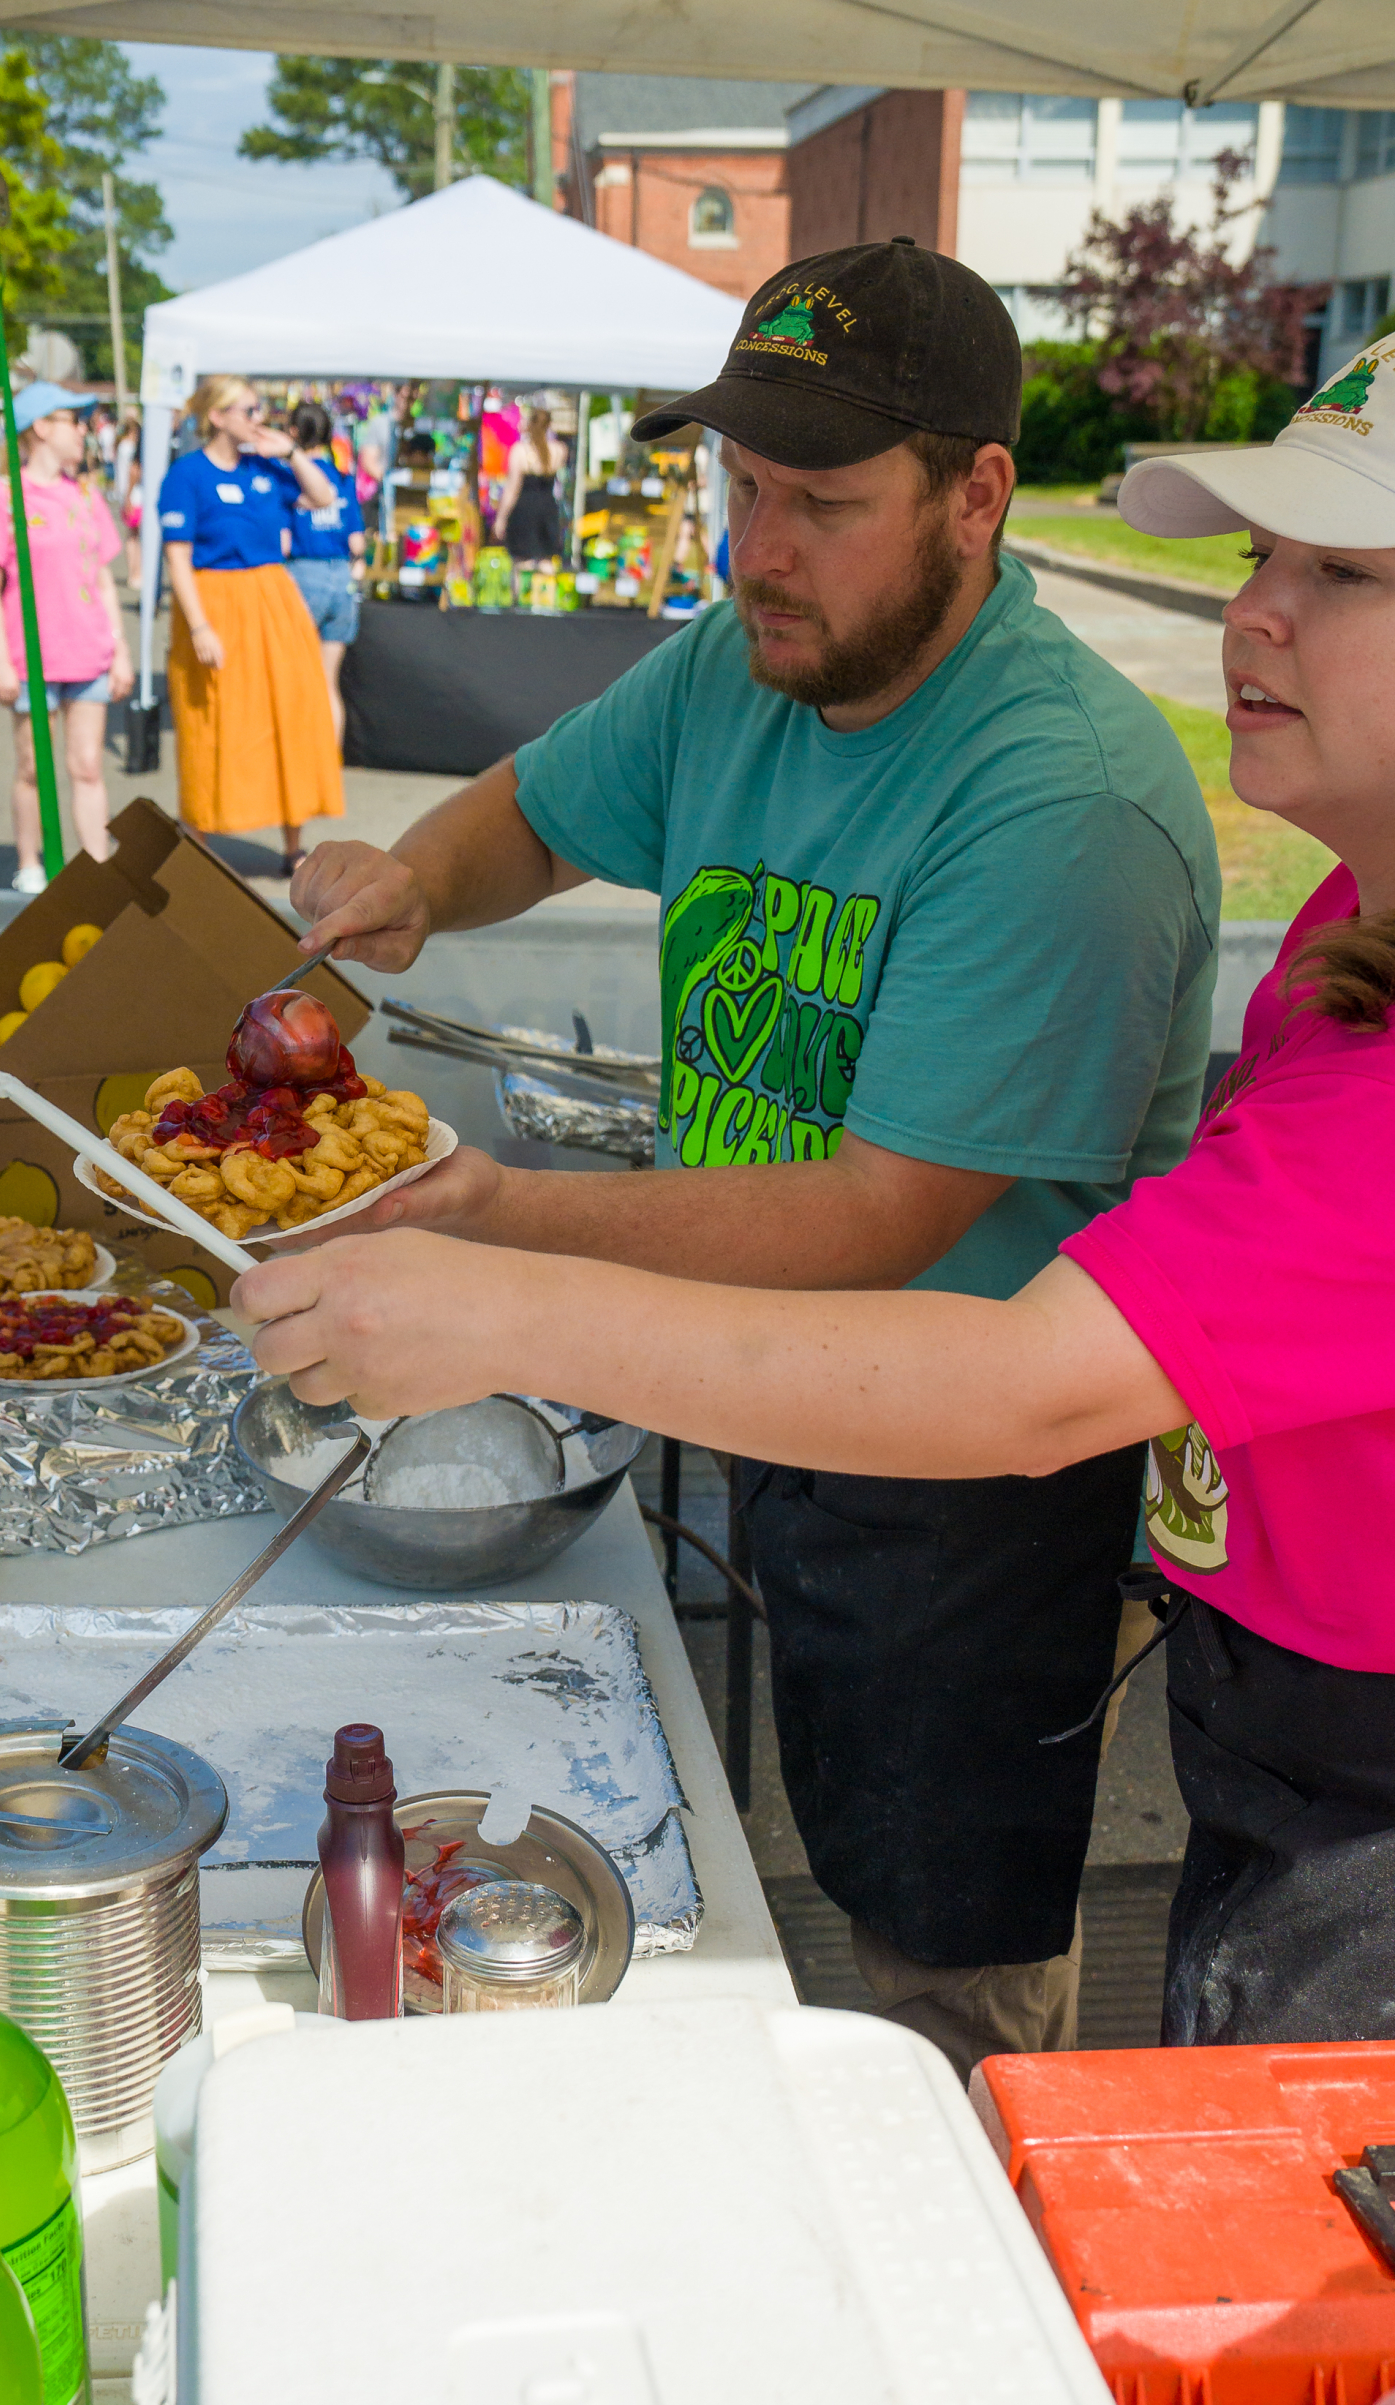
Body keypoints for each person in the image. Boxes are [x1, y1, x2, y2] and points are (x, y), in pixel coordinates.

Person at [243, 342, 1395, 2056]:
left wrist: (488, 1268)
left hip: (1203, 1669)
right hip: (1264, 1686)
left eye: (1344, 572)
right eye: (1254, 558)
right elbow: (553, 803)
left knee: (971, 1955)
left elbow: (1009, 1370)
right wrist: (418, 881)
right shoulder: (1343, 939)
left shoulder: (1072, 805)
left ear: (975, 500)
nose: (1255, 614)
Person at [160, 374, 341, 877]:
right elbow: (177, 558)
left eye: (259, 409)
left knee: (291, 713)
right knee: (210, 718)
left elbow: (325, 498)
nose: (259, 419)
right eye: (249, 410)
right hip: (214, 599)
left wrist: (291, 453)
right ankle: (197, 836)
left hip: (273, 597)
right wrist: (199, 626)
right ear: (216, 417)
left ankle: (293, 844)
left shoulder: (267, 466)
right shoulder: (186, 475)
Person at [0, 379, 135, 893]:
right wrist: (0, 659)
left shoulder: (84, 495)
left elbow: (103, 579)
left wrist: (120, 649)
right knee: (32, 767)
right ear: (40, 427)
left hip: (89, 653)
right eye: (73, 421)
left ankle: (95, 866)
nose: (84, 432)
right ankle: (30, 863)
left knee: (87, 765)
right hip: (31, 659)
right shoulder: (0, 496)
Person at [287, 402, 365, 747]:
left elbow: (283, 542)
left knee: (296, 679)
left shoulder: (292, 479)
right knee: (328, 683)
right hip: (342, 579)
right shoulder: (343, 478)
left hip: (305, 575)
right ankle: (328, 766)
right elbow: (357, 542)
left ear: (294, 433)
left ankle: (301, 762)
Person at [494, 402, 565, 562]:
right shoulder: (559, 450)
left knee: (522, 562)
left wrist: (501, 519)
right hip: (548, 509)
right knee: (546, 562)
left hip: (524, 511)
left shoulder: (519, 451)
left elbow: (512, 489)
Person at [112, 411, 144, 593]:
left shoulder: (123, 446)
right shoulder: (130, 448)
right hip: (135, 495)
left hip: (131, 495)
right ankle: (136, 572)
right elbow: (133, 472)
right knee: (135, 537)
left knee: (132, 536)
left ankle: (135, 572)